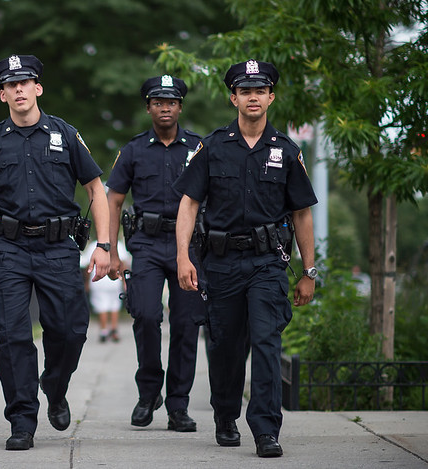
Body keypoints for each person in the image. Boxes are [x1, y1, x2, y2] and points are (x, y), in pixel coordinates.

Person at [0, 54, 110, 451]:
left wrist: (104, 245)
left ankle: (55, 387)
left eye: (25, 82)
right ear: (3, 94)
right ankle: (22, 420)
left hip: (58, 248)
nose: (19, 89)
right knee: (12, 337)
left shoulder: (65, 134)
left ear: (38, 88)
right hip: (8, 249)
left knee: (69, 330)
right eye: (11, 85)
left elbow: (97, 190)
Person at [174, 60, 317, 458]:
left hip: (267, 263)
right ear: (233, 97)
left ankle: (266, 430)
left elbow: (302, 212)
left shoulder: (286, 151)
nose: (253, 97)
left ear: (271, 97)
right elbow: (189, 204)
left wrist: (308, 271)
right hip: (220, 264)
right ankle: (225, 414)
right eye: (245, 91)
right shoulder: (213, 146)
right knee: (225, 346)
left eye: (260, 90)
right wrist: (183, 257)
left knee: (268, 342)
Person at [106, 75, 205, 432]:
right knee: (146, 316)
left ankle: (178, 405)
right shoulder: (133, 150)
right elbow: (114, 200)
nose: (165, 108)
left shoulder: (198, 148)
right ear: (148, 107)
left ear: (180, 107)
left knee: (186, 324)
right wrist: (113, 250)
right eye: (158, 102)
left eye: (172, 102)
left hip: (189, 246)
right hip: (146, 245)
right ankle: (149, 393)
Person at [81, 237, 130, 342]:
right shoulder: (118, 245)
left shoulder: (93, 246)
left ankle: (103, 330)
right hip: (115, 278)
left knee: (101, 305)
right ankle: (114, 329)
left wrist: (86, 281)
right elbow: (124, 264)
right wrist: (125, 281)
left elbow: (86, 266)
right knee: (114, 304)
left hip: (98, 279)